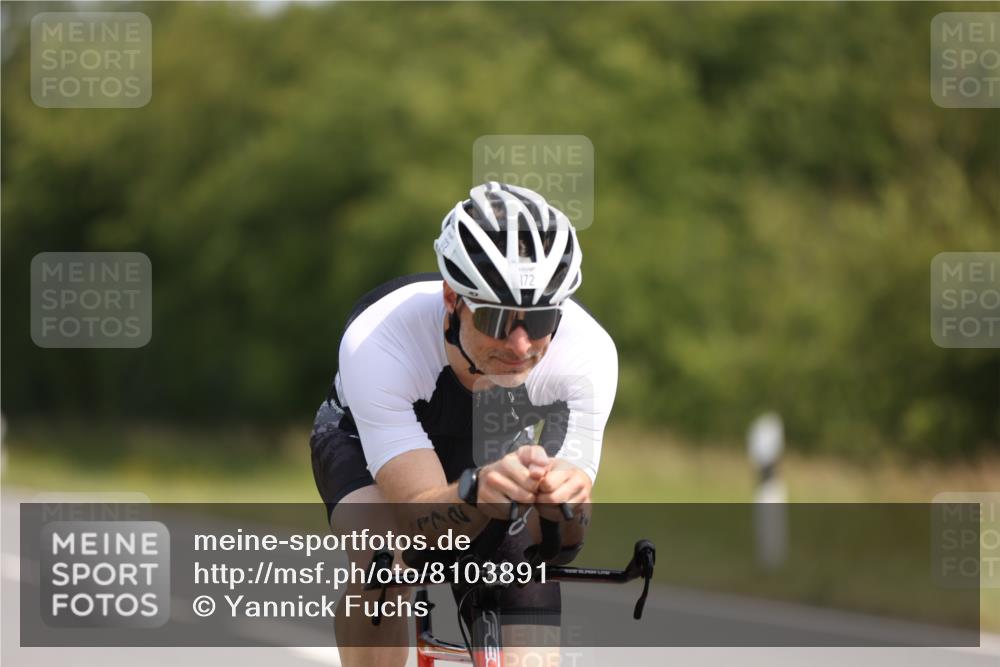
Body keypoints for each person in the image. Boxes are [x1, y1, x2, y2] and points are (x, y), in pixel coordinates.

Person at [310, 181, 618, 666]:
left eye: (539, 321)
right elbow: (415, 512)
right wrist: (475, 493)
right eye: (497, 319)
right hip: (362, 448)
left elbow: (562, 535)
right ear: (452, 300)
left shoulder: (588, 354)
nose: (520, 346)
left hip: (491, 452)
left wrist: (562, 505)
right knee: (388, 560)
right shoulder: (379, 339)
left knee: (524, 572)